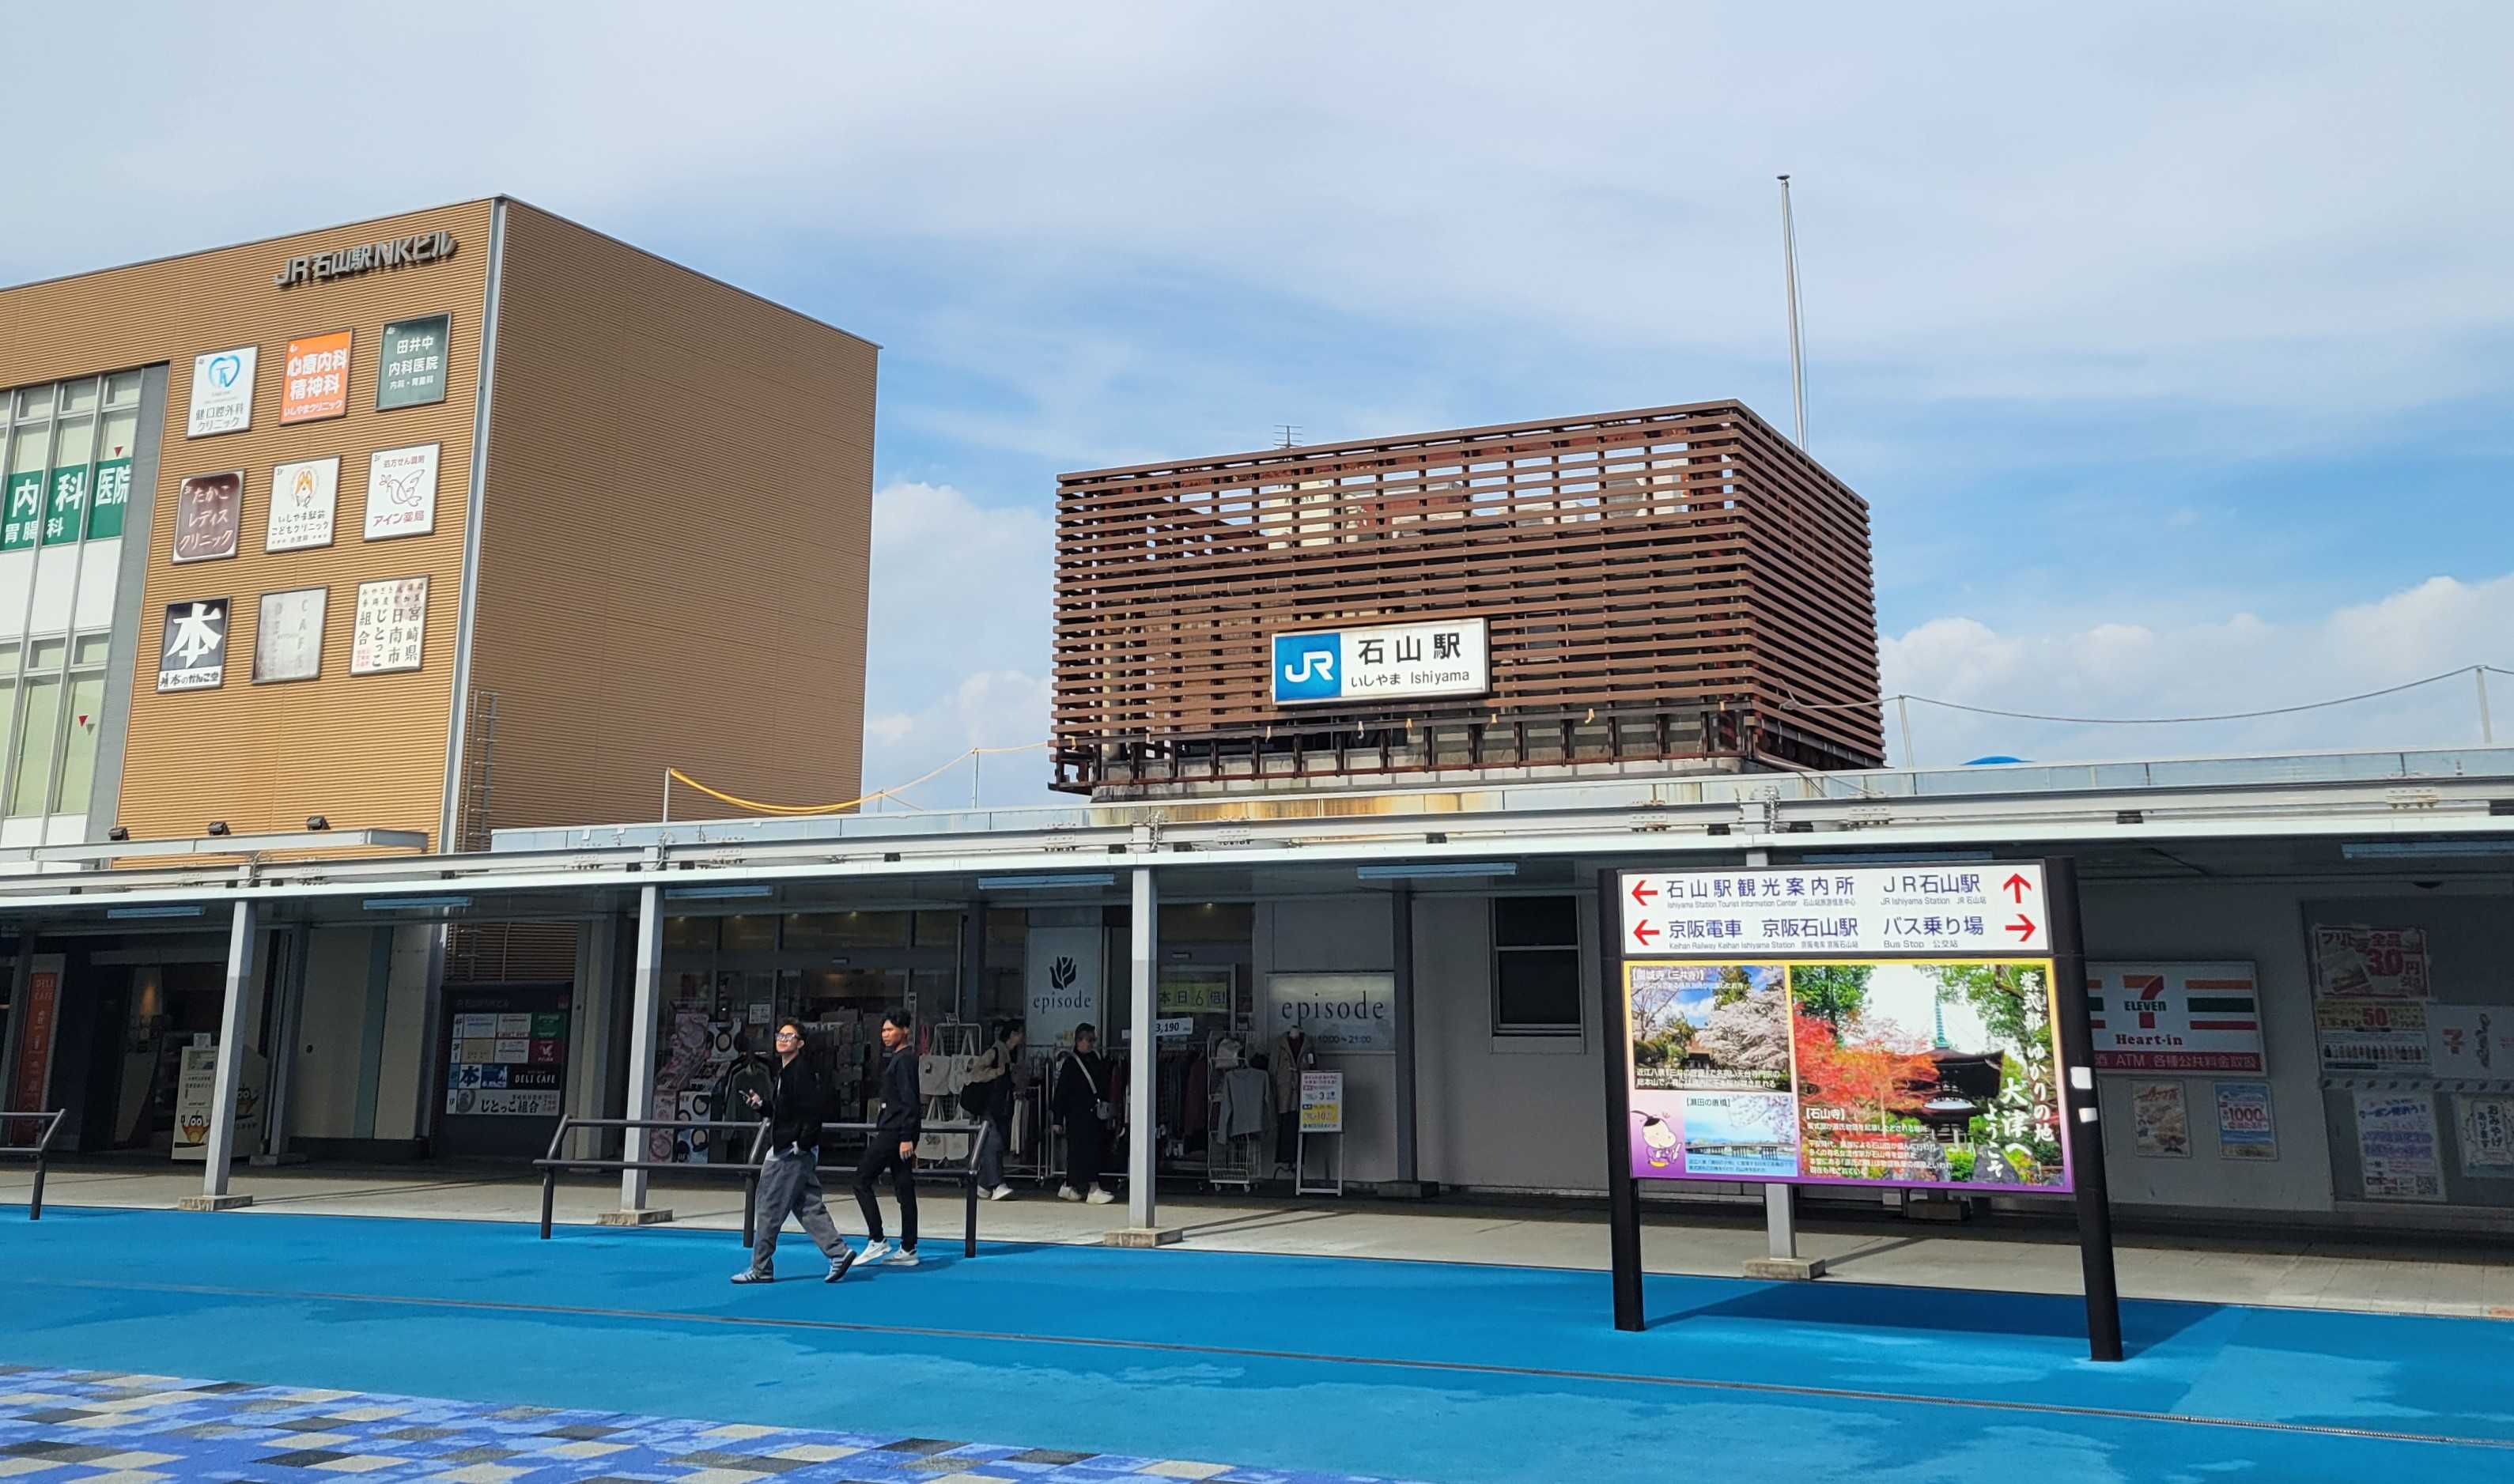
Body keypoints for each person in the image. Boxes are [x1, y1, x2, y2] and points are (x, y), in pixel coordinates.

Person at [732, 1021, 853, 1285]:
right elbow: (785, 1113)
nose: (783, 1039)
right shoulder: (787, 1072)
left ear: (800, 1043)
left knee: (768, 1207)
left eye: (790, 1036)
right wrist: (762, 1105)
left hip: (789, 1152)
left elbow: (813, 1112)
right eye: (781, 1035)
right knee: (807, 1205)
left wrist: (802, 1143)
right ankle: (838, 1252)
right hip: (795, 1149)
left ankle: (761, 1267)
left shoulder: (800, 1072)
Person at [852, 1007, 921, 1267]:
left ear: (905, 1031)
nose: (885, 1034)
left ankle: (877, 1238)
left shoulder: (904, 1060)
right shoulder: (901, 1059)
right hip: (898, 1130)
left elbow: (910, 1100)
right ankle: (908, 1248)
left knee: (861, 1180)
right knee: (904, 1187)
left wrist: (906, 1136)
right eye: (883, 1030)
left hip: (894, 1132)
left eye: (890, 1029)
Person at [1051, 1023, 1117, 1205]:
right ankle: (1093, 1188)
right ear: (1079, 1041)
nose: (1093, 1043)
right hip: (1077, 1115)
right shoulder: (1071, 1063)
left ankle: (1068, 1186)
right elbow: (1061, 1093)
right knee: (1085, 1151)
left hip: (1093, 1114)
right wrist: (1057, 1119)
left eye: (1094, 1040)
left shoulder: (1095, 1059)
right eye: (1090, 1040)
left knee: (1081, 1152)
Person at [962, 1019, 1025, 1199]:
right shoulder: (996, 1052)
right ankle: (997, 1184)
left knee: (997, 1143)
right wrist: (998, 1072)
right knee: (993, 1143)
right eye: (1020, 1033)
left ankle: (983, 1185)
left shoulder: (1011, 1054)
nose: (1022, 1037)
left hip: (1001, 1106)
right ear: (1012, 1034)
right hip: (989, 1105)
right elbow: (976, 1073)